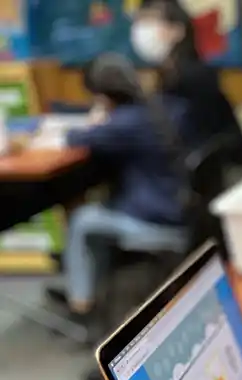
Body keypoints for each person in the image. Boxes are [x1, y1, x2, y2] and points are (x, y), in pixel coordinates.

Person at [47, 53, 191, 323]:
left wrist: (98, 116)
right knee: (97, 215)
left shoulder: (124, 124)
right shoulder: (162, 107)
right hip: (178, 207)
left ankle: (81, 305)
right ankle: (94, 289)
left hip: (156, 219)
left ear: (101, 94)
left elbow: (74, 137)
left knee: (81, 220)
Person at [131, 0, 242, 164]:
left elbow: (171, 131)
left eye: (150, 20)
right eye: (139, 21)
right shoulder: (165, 76)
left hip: (214, 173)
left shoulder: (194, 76)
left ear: (178, 31)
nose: (142, 30)